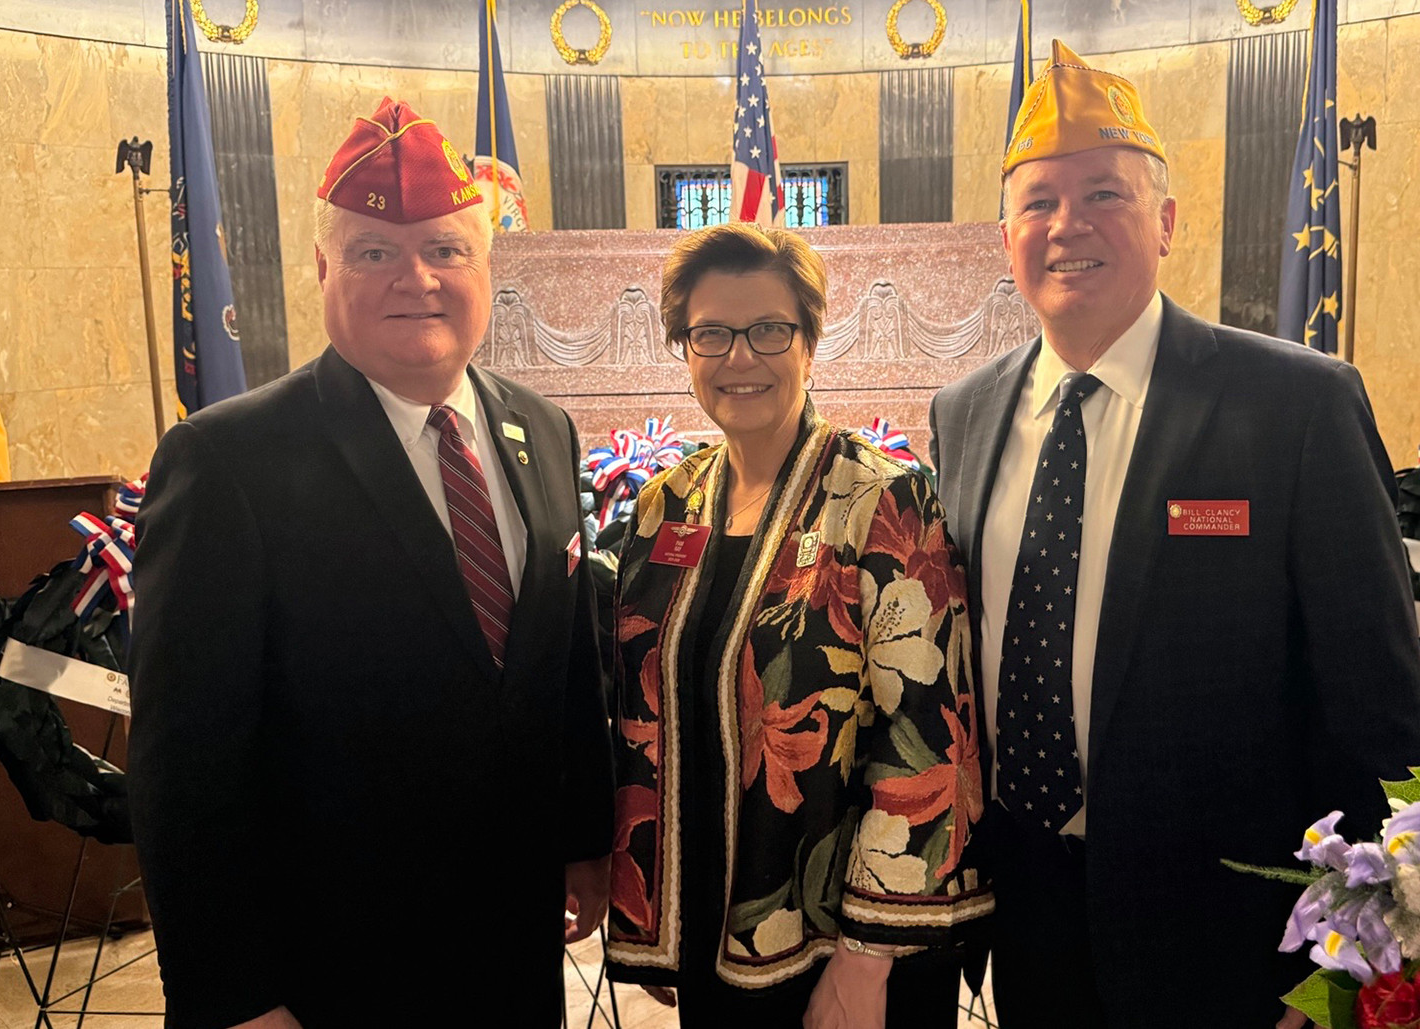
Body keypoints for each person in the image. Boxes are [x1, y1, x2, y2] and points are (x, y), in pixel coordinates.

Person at [927, 41, 1420, 1028]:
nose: (1067, 225)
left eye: (1102, 194)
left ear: (1165, 221)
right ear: (1006, 236)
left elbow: (1376, 710)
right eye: (1038, 202)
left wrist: (1347, 949)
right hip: (1026, 917)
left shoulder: (1296, 407)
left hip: (1232, 937)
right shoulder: (964, 413)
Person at [128, 97, 613, 1029]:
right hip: (331, 971)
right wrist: (235, 994)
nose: (417, 278)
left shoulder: (541, 430)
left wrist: (585, 837)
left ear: (486, 266)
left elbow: (562, 664)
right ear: (320, 268)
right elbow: (185, 764)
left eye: (446, 249)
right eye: (375, 252)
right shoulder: (227, 461)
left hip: (513, 949)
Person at [603, 223, 992, 1028]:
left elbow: (928, 738)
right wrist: (663, 912)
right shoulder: (663, 506)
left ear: (810, 342)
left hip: (847, 953)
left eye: (769, 329)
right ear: (685, 348)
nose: (739, 357)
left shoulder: (879, 499)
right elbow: (647, 721)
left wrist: (862, 964)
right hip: (717, 932)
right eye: (711, 332)